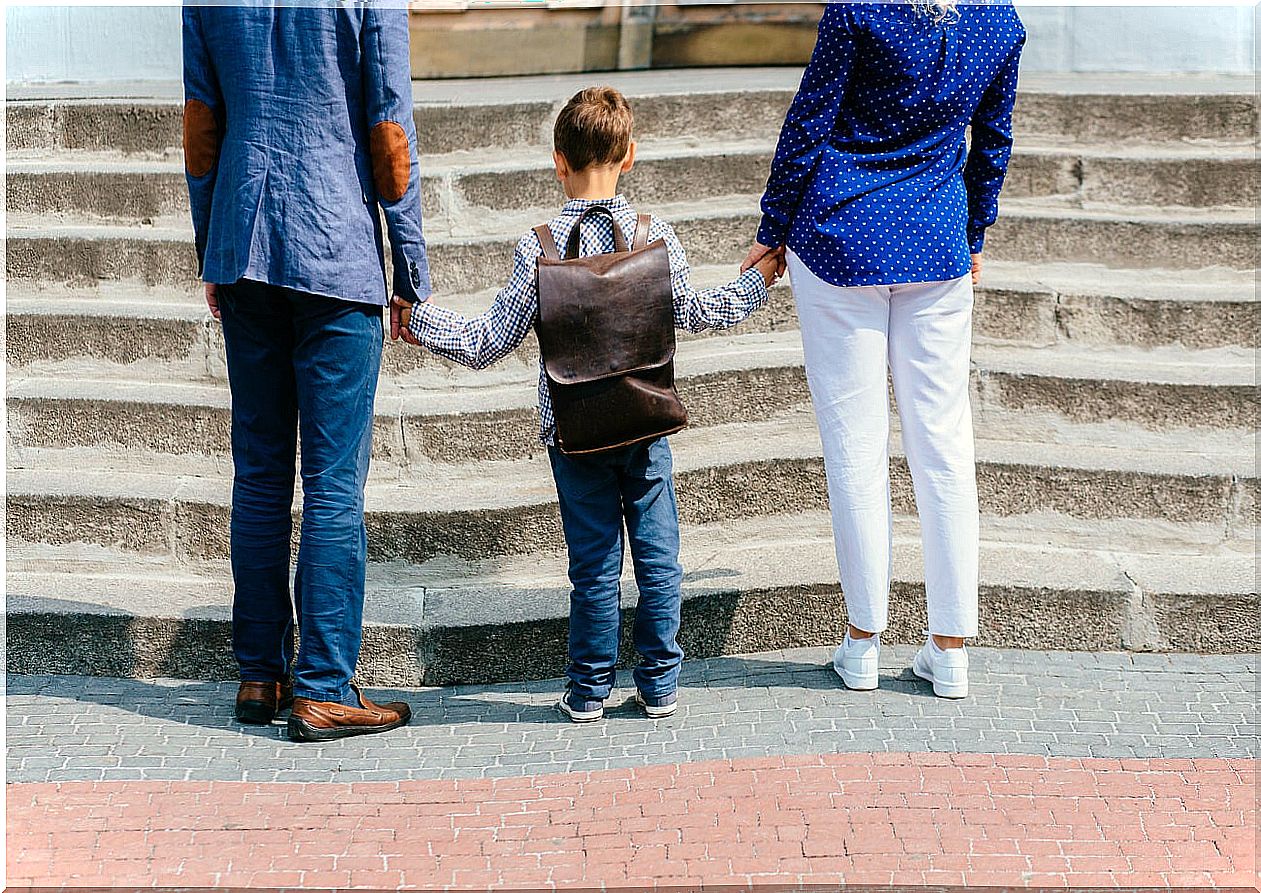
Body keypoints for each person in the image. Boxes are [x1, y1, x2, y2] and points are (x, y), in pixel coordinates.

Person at [396, 87, 783, 722]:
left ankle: (588, 692)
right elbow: (702, 312)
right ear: (629, 155)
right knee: (659, 559)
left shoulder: (539, 247)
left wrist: (422, 322)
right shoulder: (656, 237)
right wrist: (758, 279)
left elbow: (488, 341)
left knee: (595, 565)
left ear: (558, 161)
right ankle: (659, 685)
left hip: (573, 431)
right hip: (643, 416)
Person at [742, 0, 1025, 698]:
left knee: (855, 449)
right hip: (935, 239)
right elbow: (992, 141)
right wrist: (976, 232)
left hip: (840, 234)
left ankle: (863, 642)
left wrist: (771, 226)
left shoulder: (858, 9)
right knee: (944, 447)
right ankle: (949, 647)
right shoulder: (1000, 21)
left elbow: (811, 120)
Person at [182, 5, 428, 740]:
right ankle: (323, 684)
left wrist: (212, 245)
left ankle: (261, 673)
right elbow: (389, 135)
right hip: (334, 246)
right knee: (330, 482)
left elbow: (201, 127)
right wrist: (410, 266)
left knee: (258, 473)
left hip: (244, 236)